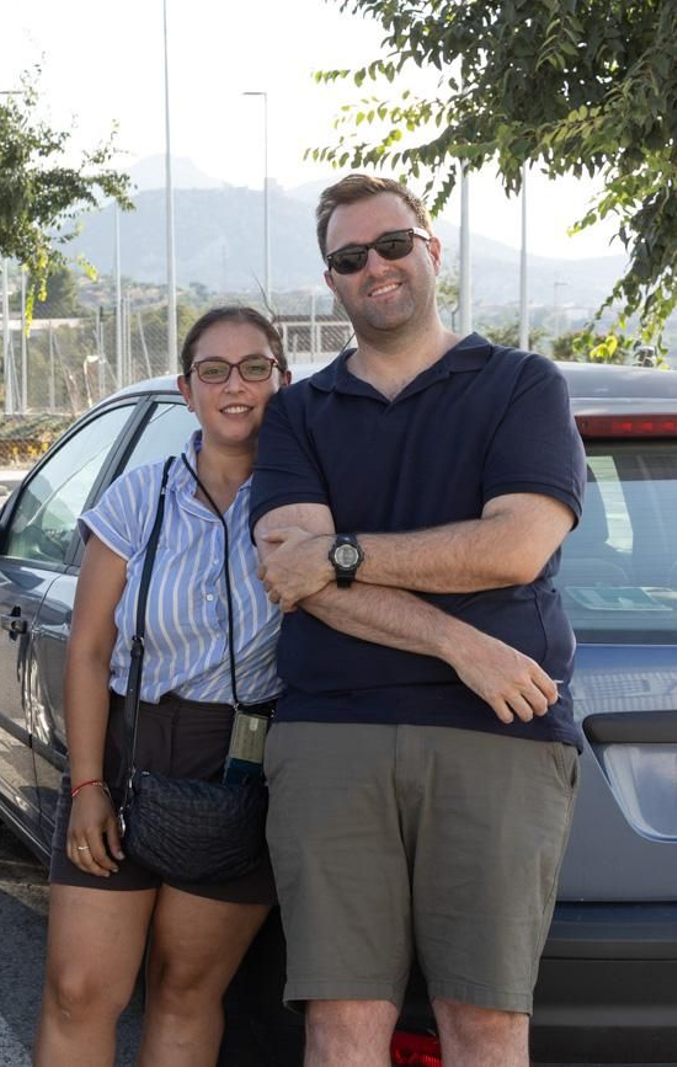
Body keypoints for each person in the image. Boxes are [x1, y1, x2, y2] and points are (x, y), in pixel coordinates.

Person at [252, 174, 586, 1067]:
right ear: (332, 281)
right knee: (341, 1024)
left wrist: (340, 552)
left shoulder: (521, 385)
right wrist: (459, 640)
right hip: (333, 734)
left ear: (432, 250)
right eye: (350, 257)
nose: (377, 267)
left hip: (498, 733)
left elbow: (516, 546)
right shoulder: (298, 412)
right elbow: (293, 575)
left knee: (484, 1024)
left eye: (393, 244)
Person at [34, 307, 291, 1066]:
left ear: (281, 379)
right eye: (213, 370)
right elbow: (88, 651)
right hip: (126, 751)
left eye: (254, 368)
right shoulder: (137, 497)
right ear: (187, 389)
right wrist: (88, 784)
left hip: (241, 765)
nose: (234, 386)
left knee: (185, 989)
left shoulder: (304, 506)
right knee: (79, 989)